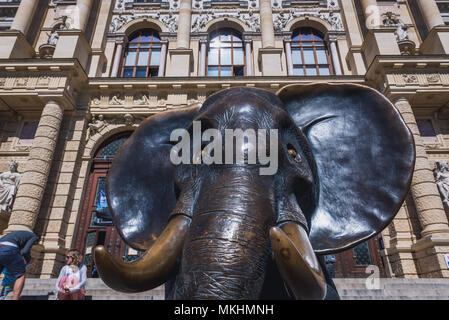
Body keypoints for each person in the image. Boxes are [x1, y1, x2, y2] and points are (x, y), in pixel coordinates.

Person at [0, 230, 38, 300]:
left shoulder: (19, 235)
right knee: (20, 275)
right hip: (9, 248)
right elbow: (25, 251)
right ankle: (15, 298)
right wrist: (29, 259)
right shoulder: (34, 237)